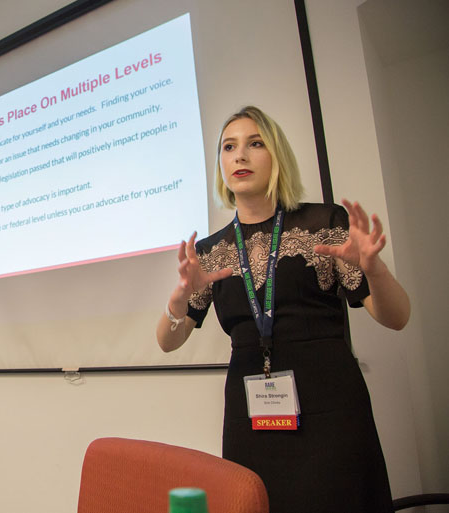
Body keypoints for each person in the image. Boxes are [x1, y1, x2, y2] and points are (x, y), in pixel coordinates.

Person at [156, 106, 409, 513]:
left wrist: (374, 269)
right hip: (250, 417)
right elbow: (168, 341)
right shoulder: (211, 251)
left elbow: (396, 318)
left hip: (330, 411)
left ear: (277, 156)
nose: (240, 155)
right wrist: (179, 299)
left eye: (255, 143)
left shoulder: (323, 222)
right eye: (229, 147)